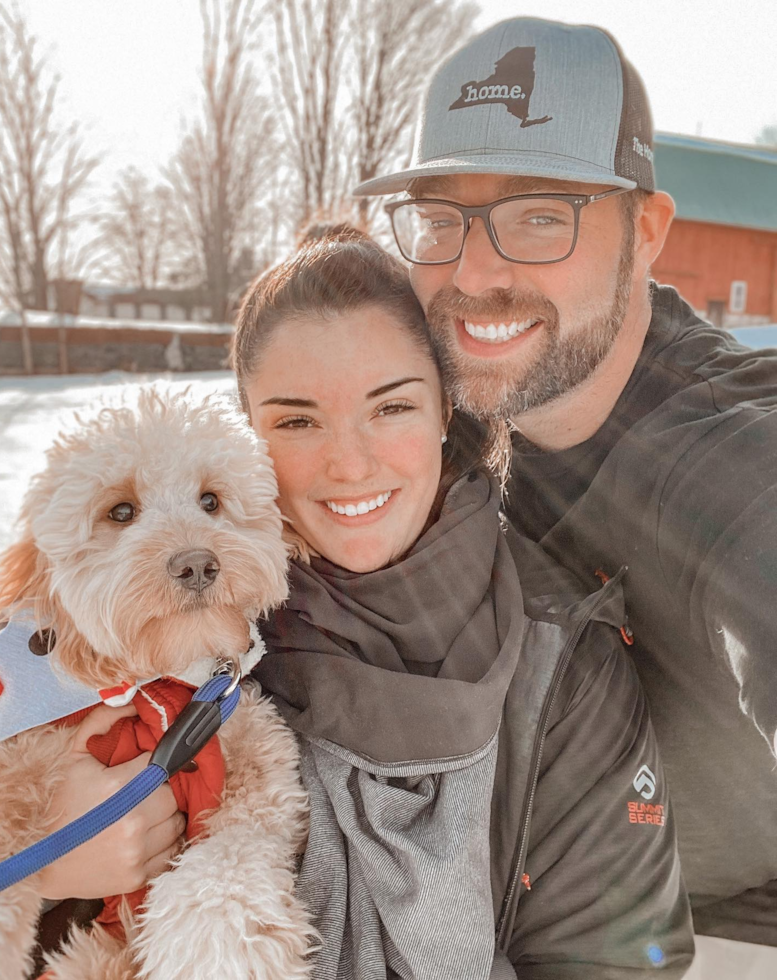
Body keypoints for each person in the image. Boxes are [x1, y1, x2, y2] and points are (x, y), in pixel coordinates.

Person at [352, 16, 777, 951]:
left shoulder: (733, 464)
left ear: (648, 232)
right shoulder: (420, 412)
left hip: (711, 936)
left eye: (541, 215)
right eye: (441, 218)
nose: (474, 270)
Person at [233, 223, 692, 978]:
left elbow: (619, 961)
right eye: (296, 420)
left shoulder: (561, 658)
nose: (349, 462)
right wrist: (58, 871)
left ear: (446, 409)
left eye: (391, 408)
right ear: (248, 434)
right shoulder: (196, 641)